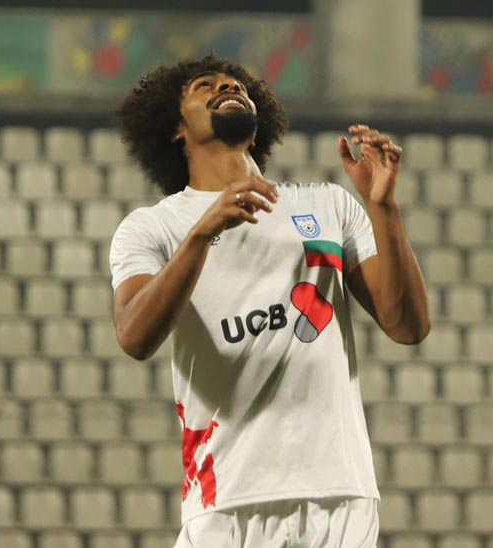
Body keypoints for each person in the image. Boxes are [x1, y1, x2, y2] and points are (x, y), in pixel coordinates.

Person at [110, 54, 430, 547]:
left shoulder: (328, 205)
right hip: (228, 496)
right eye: (205, 86)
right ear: (176, 128)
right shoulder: (155, 228)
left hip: (338, 492)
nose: (227, 87)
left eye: (236, 84)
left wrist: (383, 207)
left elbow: (408, 326)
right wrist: (202, 235)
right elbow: (134, 336)